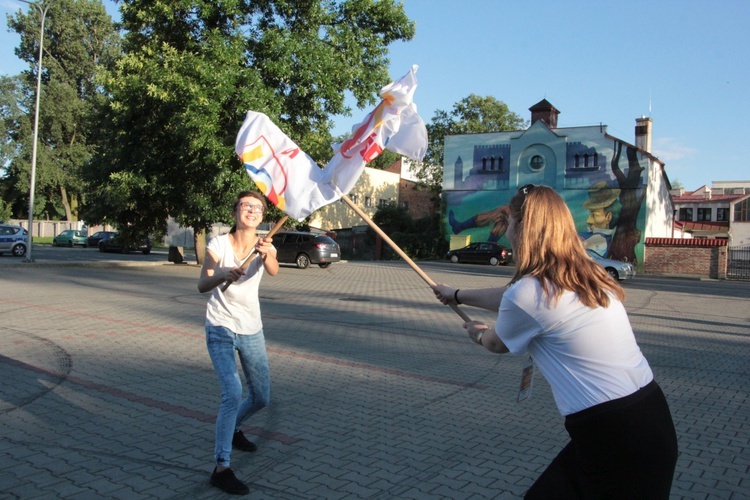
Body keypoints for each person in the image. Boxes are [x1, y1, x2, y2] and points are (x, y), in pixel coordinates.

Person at [432, 184, 677, 499]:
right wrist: (456, 294)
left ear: (523, 229)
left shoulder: (531, 293)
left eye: (509, 223)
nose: (506, 231)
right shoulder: (586, 274)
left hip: (614, 436)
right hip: (649, 417)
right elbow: (515, 299)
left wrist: (478, 333)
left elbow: (497, 342)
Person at [198, 190, 279, 495]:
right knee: (232, 392)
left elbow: (273, 270)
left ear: (262, 216)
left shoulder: (264, 245)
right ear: (235, 212)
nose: (252, 210)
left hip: (251, 328)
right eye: (246, 206)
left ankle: (232, 429)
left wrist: (268, 253)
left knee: (261, 397)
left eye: (257, 208)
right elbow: (202, 284)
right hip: (220, 326)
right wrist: (221, 273)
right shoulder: (219, 244)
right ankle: (221, 468)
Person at [579, 181, 621, 256]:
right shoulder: (596, 237)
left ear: (608, 217)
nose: (588, 221)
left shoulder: (598, 239)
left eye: (594, 215)